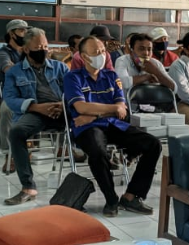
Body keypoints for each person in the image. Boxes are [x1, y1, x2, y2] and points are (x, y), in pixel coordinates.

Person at [64, 36, 162, 217]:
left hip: (112, 124)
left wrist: (94, 114)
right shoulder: (73, 78)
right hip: (86, 129)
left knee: (153, 144)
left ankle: (132, 196)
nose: (101, 55)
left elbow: (122, 109)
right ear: (84, 57)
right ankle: (111, 199)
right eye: (96, 53)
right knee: (97, 151)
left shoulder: (111, 76)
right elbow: (81, 107)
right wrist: (111, 109)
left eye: (103, 51)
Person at [2, 28, 71, 205]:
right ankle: (28, 187)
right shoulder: (14, 72)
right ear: (26, 49)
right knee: (16, 131)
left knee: (92, 121)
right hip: (36, 112)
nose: (44, 50)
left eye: (46, 46)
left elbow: (74, 92)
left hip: (63, 111)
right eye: (38, 47)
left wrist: (62, 106)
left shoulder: (60, 67)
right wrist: (36, 107)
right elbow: (10, 99)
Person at [0, 19, 29, 173]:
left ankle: (61, 148)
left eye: (26, 30)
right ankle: (10, 155)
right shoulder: (3, 52)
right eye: (22, 30)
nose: (25, 33)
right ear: (12, 33)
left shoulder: (30, 49)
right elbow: (8, 69)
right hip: (13, 94)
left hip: (33, 92)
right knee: (6, 110)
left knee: (60, 105)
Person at [114, 33, 176, 98]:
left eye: (149, 49)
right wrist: (147, 77)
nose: (146, 53)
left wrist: (156, 72)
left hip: (153, 105)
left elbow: (174, 88)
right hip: (128, 105)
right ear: (132, 50)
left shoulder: (155, 64)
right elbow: (122, 83)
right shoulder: (122, 61)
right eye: (141, 49)